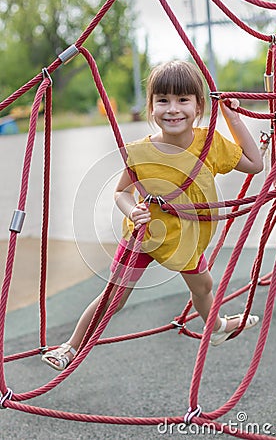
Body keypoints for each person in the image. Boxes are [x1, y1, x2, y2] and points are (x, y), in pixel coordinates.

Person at [41, 60, 263, 371]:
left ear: (199, 106)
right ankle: (69, 346)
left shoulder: (209, 143)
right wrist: (134, 210)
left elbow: (255, 164)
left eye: (183, 99)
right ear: (151, 107)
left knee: (203, 286)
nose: (173, 109)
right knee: (114, 298)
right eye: (163, 100)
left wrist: (232, 118)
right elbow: (121, 192)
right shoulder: (140, 152)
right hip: (145, 236)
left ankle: (215, 328)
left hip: (185, 239)